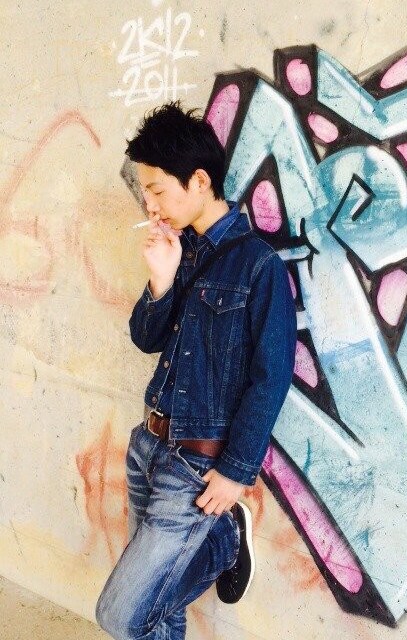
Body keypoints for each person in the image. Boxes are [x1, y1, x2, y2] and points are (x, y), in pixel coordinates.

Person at [96, 102, 297, 640]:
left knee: (121, 614)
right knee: (160, 615)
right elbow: (145, 338)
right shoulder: (178, 250)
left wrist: (236, 471)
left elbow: (271, 376)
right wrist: (160, 280)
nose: (149, 204)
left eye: (158, 190)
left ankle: (225, 540)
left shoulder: (258, 265)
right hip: (148, 446)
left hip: (196, 468)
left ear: (200, 181)